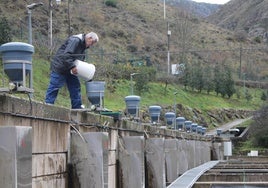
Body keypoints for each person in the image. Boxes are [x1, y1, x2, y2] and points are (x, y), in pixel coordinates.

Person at [45, 32, 99, 109]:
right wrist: (73, 66)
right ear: (89, 38)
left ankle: (77, 107)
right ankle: (48, 105)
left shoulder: (83, 45)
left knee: (75, 87)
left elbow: (80, 60)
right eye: (92, 42)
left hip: (70, 69)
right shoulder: (75, 40)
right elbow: (66, 55)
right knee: (55, 86)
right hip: (61, 67)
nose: (91, 45)